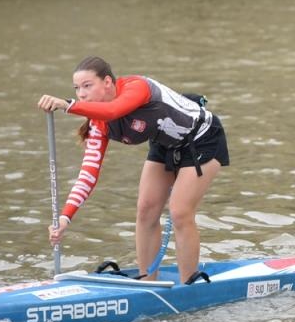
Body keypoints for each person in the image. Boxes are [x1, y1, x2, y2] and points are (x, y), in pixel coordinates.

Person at [36, 57, 229, 283]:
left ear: (107, 82)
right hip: (165, 144)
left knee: (179, 211)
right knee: (145, 210)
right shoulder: (97, 125)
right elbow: (87, 176)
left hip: (203, 138)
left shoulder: (136, 87)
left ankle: (189, 285)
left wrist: (66, 105)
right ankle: (148, 283)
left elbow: (114, 110)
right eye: (77, 89)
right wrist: (64, 218)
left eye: (87, 86)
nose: (81, 94)